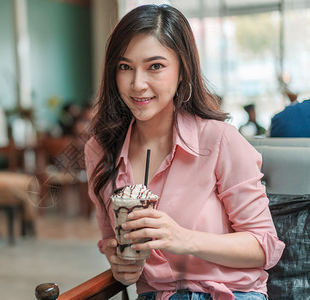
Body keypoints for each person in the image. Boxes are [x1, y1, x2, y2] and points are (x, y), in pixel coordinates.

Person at [84, 5, 284, 300]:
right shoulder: (100, 151)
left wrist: (183, 238)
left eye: (155, 66)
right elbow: (112, 242)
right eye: (125, 67)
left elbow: (263, 246)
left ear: (182, 71)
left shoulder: (219, 140)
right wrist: (121, 265)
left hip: (230, 293)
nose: (137, 84)